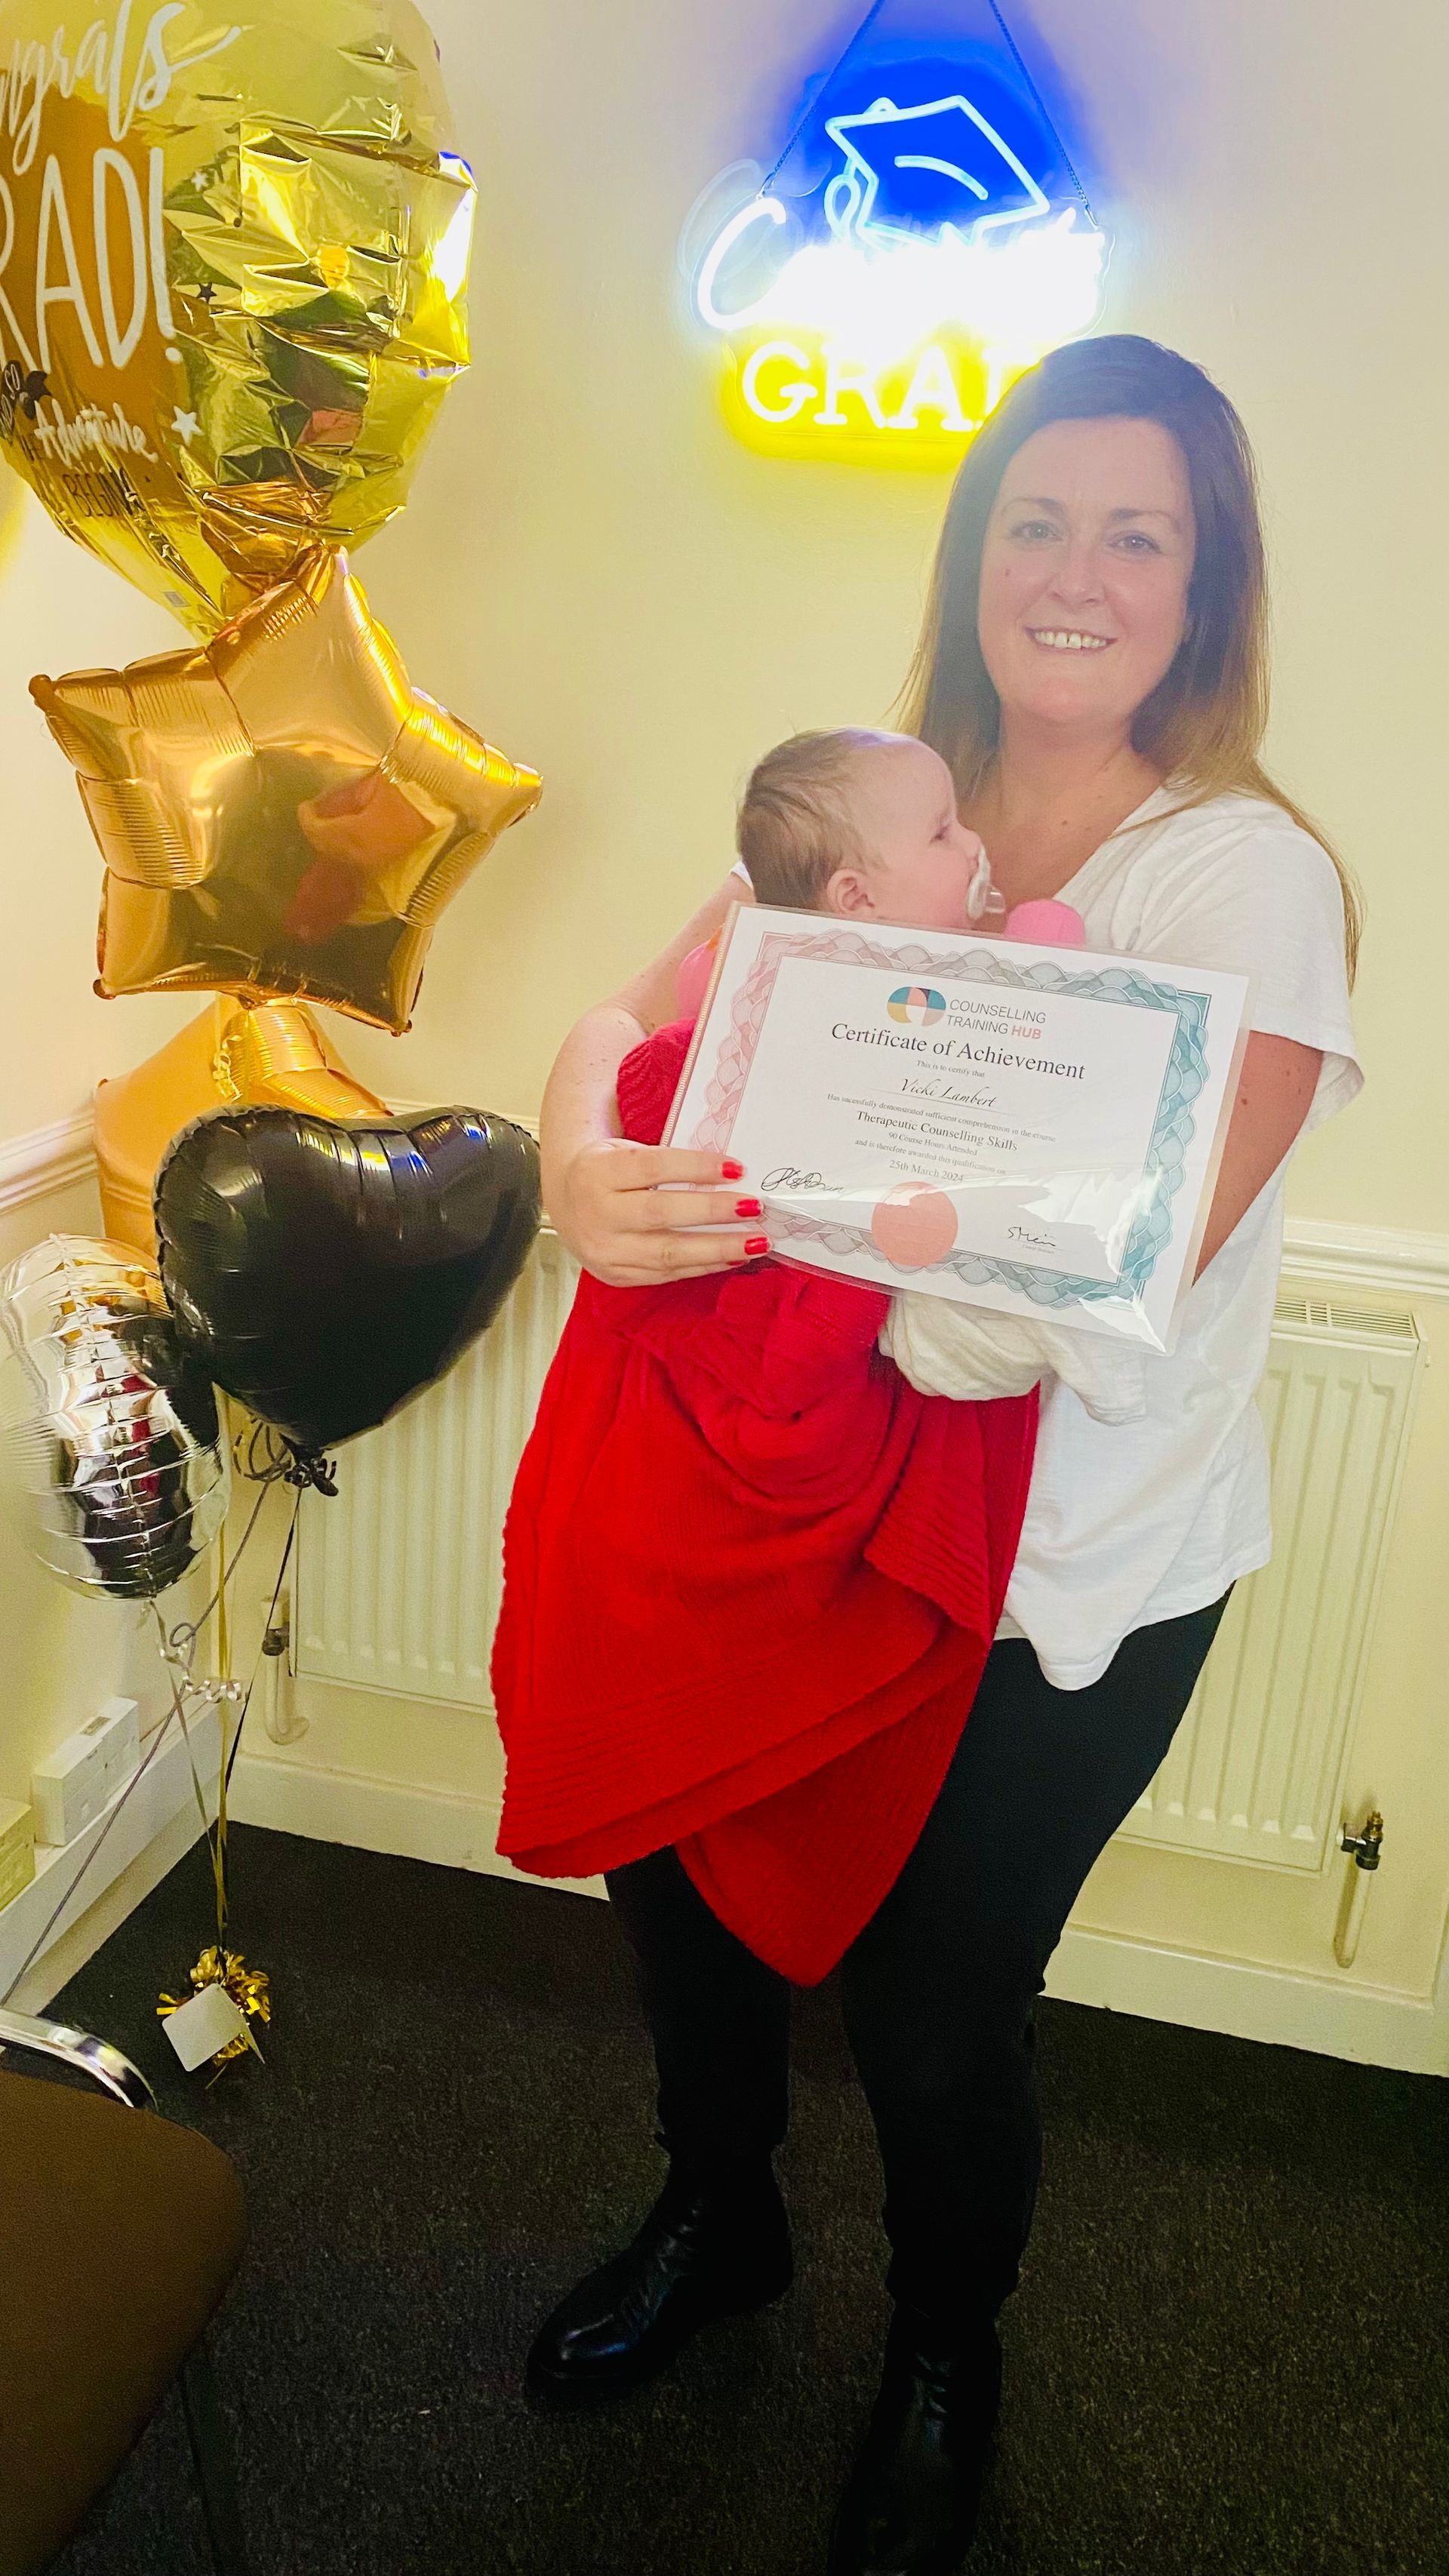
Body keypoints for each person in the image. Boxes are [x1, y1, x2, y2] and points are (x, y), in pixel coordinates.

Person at [528, 336, 1364, 2576]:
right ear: (975, 549)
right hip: (783, 1512)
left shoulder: (1240, 882)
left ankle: (945, 2343)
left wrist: (860, 1240)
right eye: (1037, 519)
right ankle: (720, 2220)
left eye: (1139, 530)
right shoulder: (886, 799)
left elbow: (1107, 1266)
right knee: (687, 1899)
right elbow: (631, 1022)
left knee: (928, 1999)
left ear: (1209, 585)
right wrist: (576, 1159)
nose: (1078, 573)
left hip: (1059, 1574)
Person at [491, 727, 1043, 1994]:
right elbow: (636, 1043)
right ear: (853, 892)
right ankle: (715, 2158)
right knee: (678, 1855)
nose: (978, 851)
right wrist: (580, 1166)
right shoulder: (781, 922)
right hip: (709, 1423)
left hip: (854, 1441)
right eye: (951, 834)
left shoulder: (986, 935)